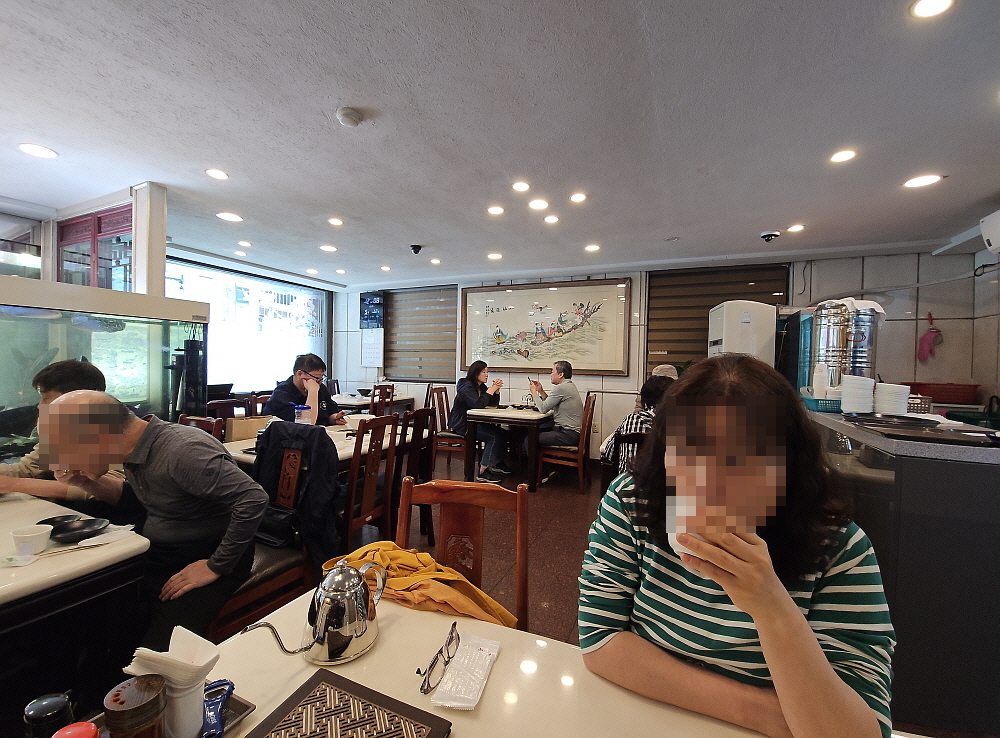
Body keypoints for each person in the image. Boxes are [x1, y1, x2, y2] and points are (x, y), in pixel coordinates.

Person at [578, 354, 894, 738]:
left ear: (788, 463)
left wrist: (771, 607)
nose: (711, 483)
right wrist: (768, 714)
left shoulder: (838, 546)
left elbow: (858, 730)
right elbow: (600, 639)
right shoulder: (633, 502)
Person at [39, 391, 268, 651]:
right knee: (93, 620)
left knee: (154, 653)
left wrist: (215, 566)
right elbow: (139, 497)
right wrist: (86, 482)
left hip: (211, 551)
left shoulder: (184, 451)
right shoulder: (135, 447)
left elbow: (253, 499)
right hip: (162, 550)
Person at [0, 359, 118, 500]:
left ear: (75, 397)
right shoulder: (64, 428)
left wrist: (14, 484)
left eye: (46, 398)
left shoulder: (106, 427)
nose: (39, 406)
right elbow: (28, 469)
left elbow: (109, 490)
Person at [448, 360, 509, 484]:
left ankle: (497, 463)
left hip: (475, 422)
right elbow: (477, 404)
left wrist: (496, 391)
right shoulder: (465, 385)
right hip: (463, 424)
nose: (487, 375)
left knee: (502, 433)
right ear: (476, 374)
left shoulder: (480, 386)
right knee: (495, 436)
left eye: (487, 372)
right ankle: (483, 471)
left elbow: (491, 404)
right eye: (483, 372)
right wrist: (491, 390)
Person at [600, 374, 674, 475]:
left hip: (627, 482)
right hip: (663, 484)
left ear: (644, 400)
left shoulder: (630, 420)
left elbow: (609, 453)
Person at [527, 360, 583, 484]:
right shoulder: (568, 386)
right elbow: (550, 404)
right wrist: (541, 391)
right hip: (571, 432)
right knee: (537, 431)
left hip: (568, 434)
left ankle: (540, 474)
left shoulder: (561, 388)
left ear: (561, 374)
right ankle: (548, 468)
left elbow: (543, 408)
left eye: (552, 371)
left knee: (530, 439)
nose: (550, 374)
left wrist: (534, 392)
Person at [262, 353, 346, 425]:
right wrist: (312, 392)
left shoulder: (321, 389)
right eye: (316, 378)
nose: (319, 382)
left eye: (321, 378)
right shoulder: (282, 394)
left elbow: (329, 414)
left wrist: (334, 418)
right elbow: (305, 424)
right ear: (299, 374)